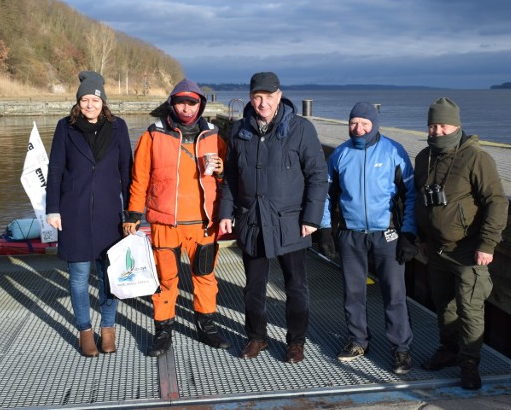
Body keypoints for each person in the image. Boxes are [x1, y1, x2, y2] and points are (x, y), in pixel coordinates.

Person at [219, 72, 328, 364]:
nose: (262, 102)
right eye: (257, 96)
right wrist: (226, 213)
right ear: (251, 98)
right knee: (253, 285)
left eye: (268, 96)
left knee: (296, 285)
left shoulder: (300, 129)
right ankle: (256, 337)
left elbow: (318, 175)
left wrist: (312, 217)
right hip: (251, 220)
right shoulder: (239, 130)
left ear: (279, 96)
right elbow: (230, 176)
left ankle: (296, 341)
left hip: (290, 222)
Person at [123, 78, 230, 357]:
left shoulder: (215, 137)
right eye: (181, 101)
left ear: (200, 105)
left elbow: (229, 179)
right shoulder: (152, 136)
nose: (186, 107)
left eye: (192, 102)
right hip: (164, 222)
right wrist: (133, 214)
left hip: (203, 223)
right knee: (165, 279)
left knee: (205, 276)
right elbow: (139, 178)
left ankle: (207, 327)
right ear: (172, 104)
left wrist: (221, 170)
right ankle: (163, 331)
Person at [316, 102, 418, 374]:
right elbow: (325, 194)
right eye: (353, 123)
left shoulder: (394, 152)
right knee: (353, 293)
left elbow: (411, 195)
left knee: (394, 293)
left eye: (364, 123)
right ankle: (358, 340)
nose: (358, 128)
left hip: (387, 234)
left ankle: (401, 349)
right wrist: (325, 228)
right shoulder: (340, 155)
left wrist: (409, 233)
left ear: (375, 124)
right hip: (351, 234)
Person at [414, 97, 508, 390]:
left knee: (471, 308)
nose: (437, 131)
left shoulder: (476, 158)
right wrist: (422, 238)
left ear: (456, 125)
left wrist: (488, 244)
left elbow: (496, 201)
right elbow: (419, 200)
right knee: (445, 305)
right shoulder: (423, 157)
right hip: (437, 248)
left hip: (468, 249)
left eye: (443, 125)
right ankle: (449, 350)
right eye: (432, 125)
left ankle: (469, 362)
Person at [46, 71, 132, 357]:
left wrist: (132, 213)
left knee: (109, 277)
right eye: (85, 99)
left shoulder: (118, 127)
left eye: (95, 99)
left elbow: (127, 172)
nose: (90, 104)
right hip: (74, 212)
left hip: (109, 214)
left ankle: (108, 329)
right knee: (79, 277)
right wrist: (53, 209)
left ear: (103, 101)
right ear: (78, 102)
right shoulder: (65, 127)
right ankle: (85, 331)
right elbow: (55, 169)